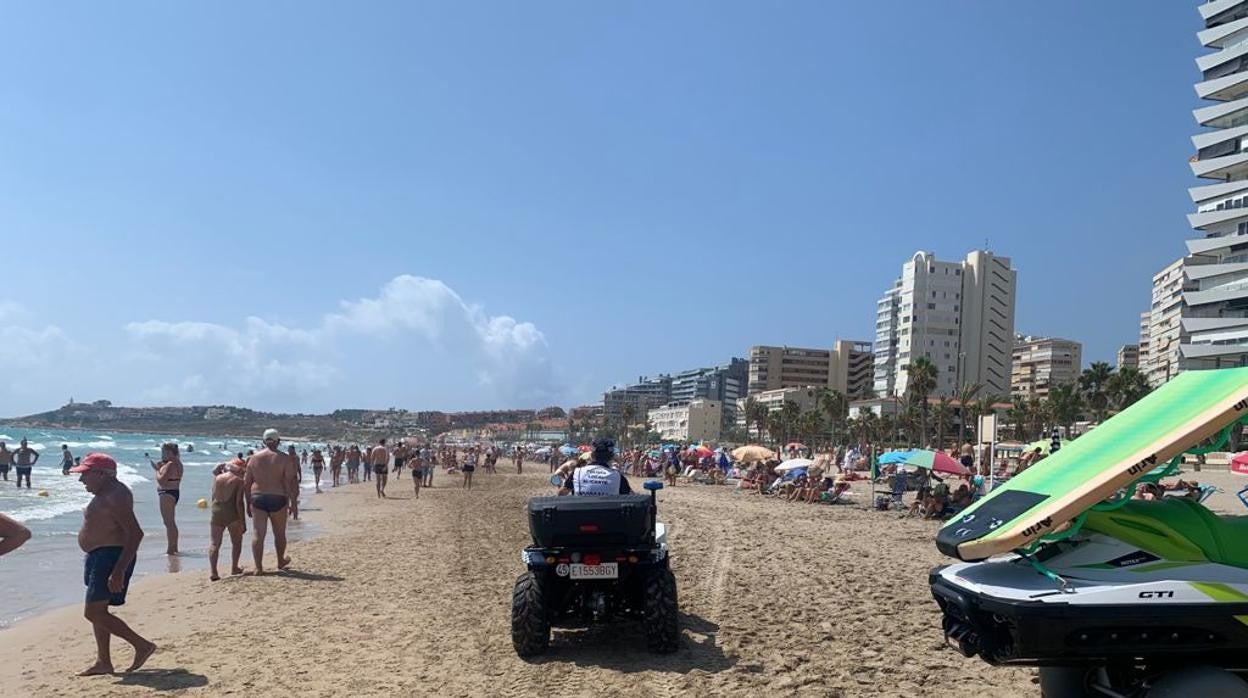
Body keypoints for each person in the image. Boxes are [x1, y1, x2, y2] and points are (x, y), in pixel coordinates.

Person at [70, 453, 157, 676]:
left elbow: (135, 534)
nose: (82, 481)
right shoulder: (106, 492)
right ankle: (104, 662)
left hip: (110, 557)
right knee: (99, 610)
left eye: (86, 475)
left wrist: (118, 570)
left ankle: (142, 645)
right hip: (99, 556)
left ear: (102, 474)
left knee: (93, 612)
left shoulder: (114, 496)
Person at [243, 429, 299, 574]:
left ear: (263, 441)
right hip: (278, 498)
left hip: (258, 498)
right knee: (279, 533)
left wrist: (247, 502)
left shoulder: (253, 459)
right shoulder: (285, 459)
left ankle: (258, 567)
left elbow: (247, 483)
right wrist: (292, 502)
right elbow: (289, 482)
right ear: (278, 441)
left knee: (258, 534)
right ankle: (280, 561)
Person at [208, 459, 247, 580]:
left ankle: (213, 572)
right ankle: (234, 567)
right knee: (236, 542)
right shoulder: (239, 481)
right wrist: (243, 522)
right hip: (231, 512)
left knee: (215, 543)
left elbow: (213, 495)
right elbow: (239, 503)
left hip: (216, 511)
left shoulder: (218, 478)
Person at [558, 438, 632, 496]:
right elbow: (632, 497)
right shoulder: (618, 477)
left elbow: (561, 494)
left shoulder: (577, 473)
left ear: (591, 455)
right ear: (611, 457)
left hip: (581, 515)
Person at [148, 443, 183, 555]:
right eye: (163, 452)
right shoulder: (177, 463)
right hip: (173, 492)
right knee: (170, 522)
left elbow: (161, 480)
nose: (163, 455)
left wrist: (157, 470)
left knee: (169, 523)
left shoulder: (170, 464)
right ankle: (174, 547)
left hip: (167, 493)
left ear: (172, 453)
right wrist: (160, 467)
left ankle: (171, 549)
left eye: (165, 452)